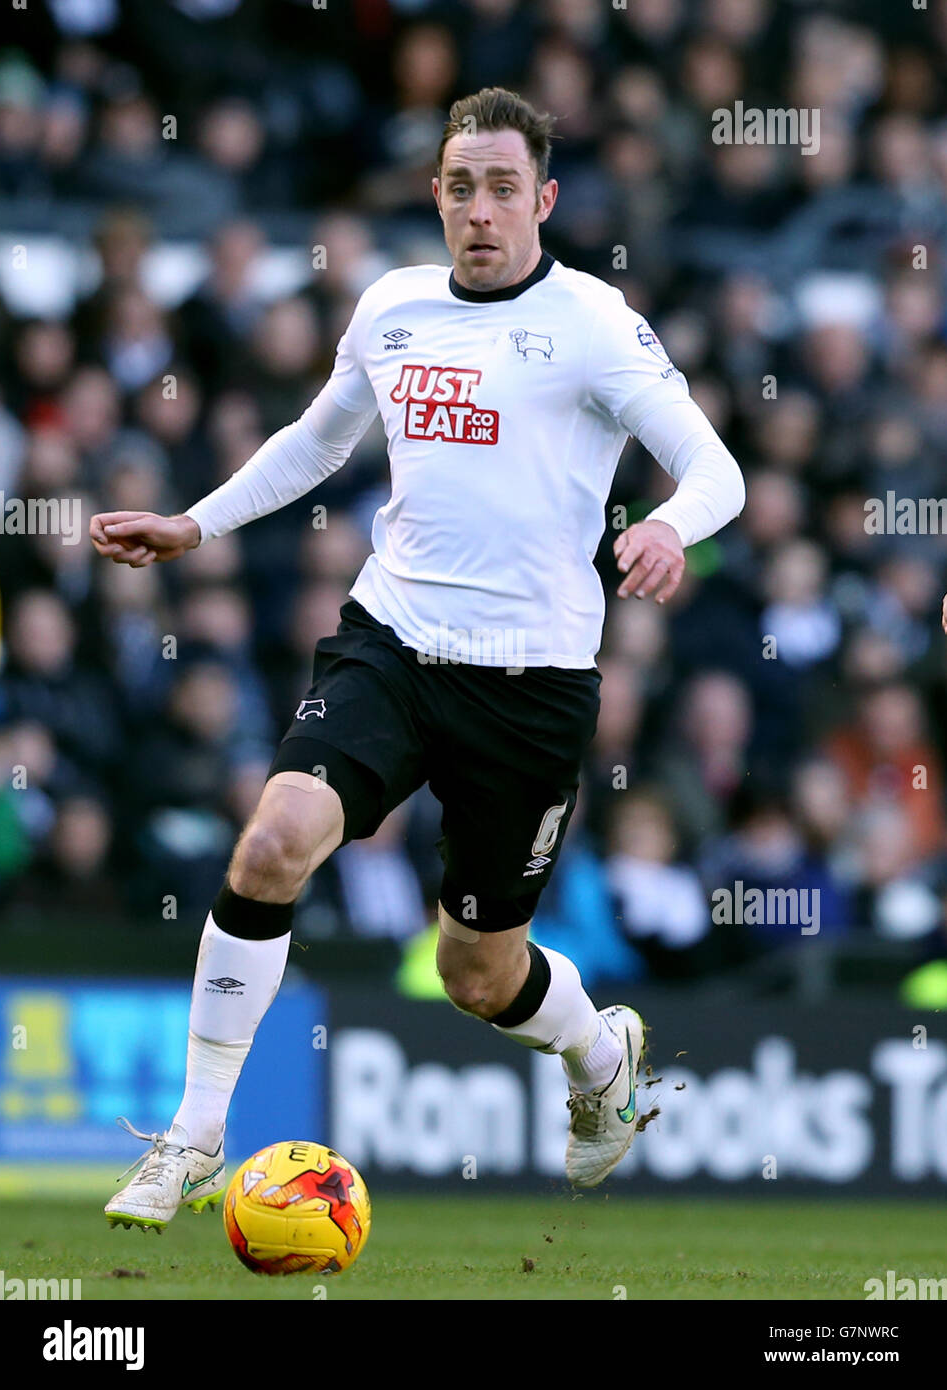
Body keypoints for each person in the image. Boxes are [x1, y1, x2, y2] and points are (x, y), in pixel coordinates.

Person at [89, 87, 745, 1228]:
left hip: (531, 683)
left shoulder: (590, 322)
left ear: (540, 199)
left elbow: (716, 472)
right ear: (433, 197)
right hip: (391, 641)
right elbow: (316, 439)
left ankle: (597, 1054)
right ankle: (192, 1136)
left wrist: (662, 527)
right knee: (271, 841)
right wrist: (196, 522)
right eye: (457, 187)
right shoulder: (392, 308)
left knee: (474, 973)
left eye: (501, 188)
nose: (478, 211)